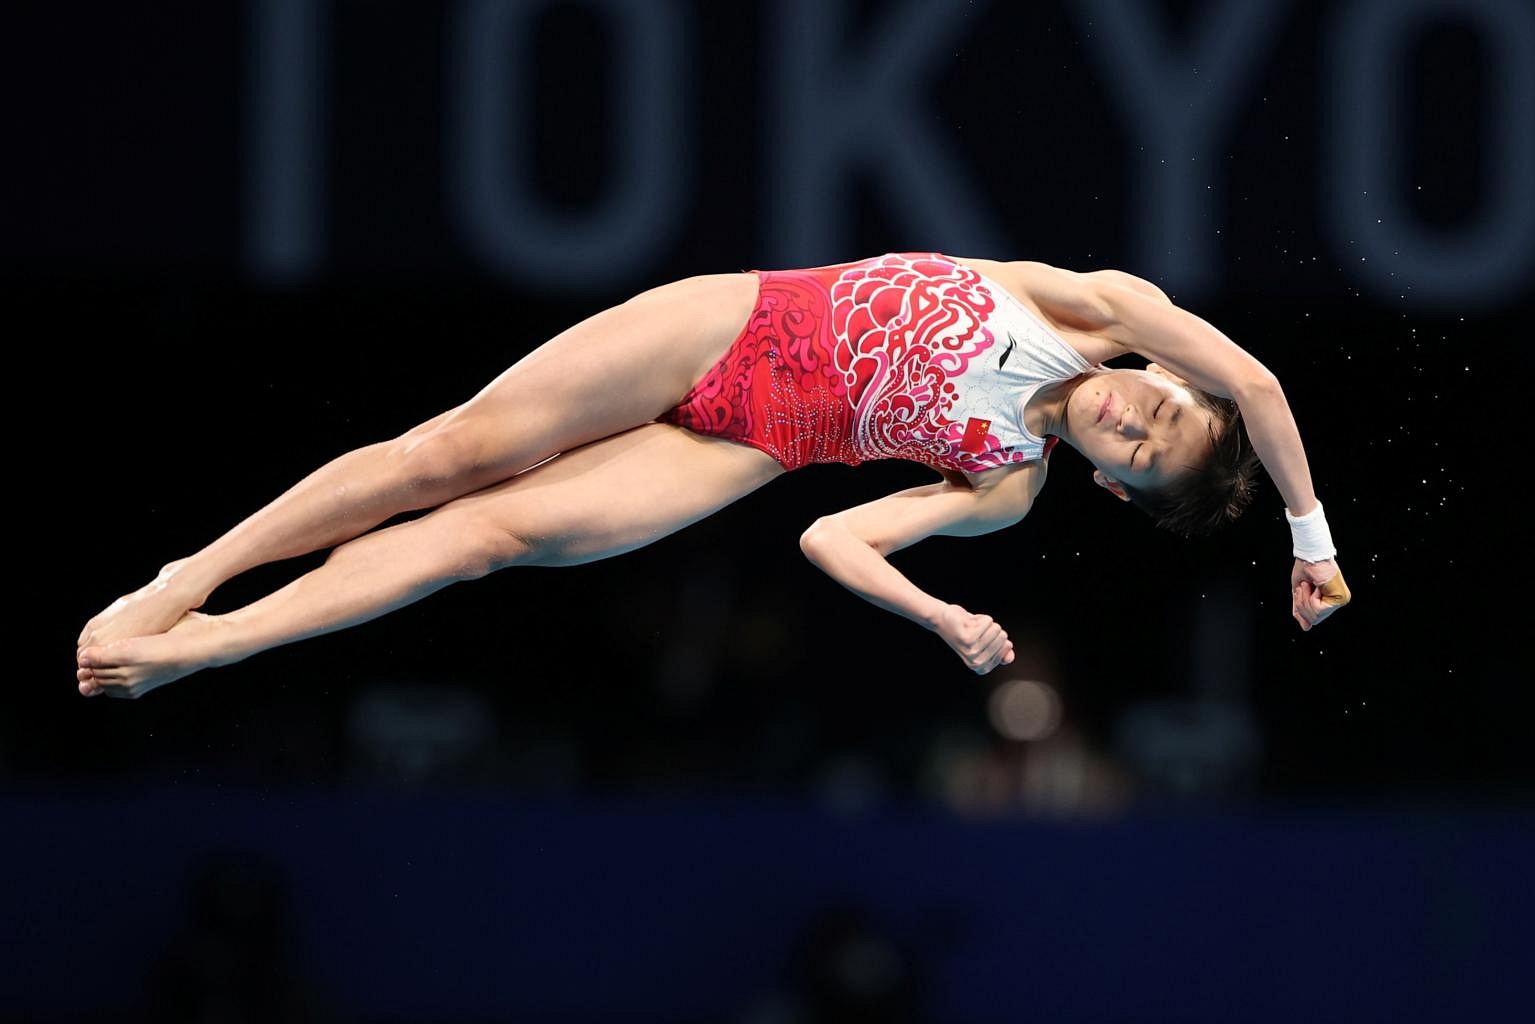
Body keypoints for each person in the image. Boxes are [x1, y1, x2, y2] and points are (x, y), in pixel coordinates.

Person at [75, 252, 1350, 700]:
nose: (1132, 415)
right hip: (726, 325)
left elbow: (833, 544)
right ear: (1164, 369)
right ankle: (197, 570)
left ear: (1113, 488)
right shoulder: (1088, 308)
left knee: (488, 538)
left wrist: (940, 615)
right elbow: (1262, 387)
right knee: (449, 453)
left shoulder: (1005, 481)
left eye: (1137, 447)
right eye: (1161, 404)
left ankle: (217, 644)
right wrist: (1307, 544)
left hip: (746, 446)